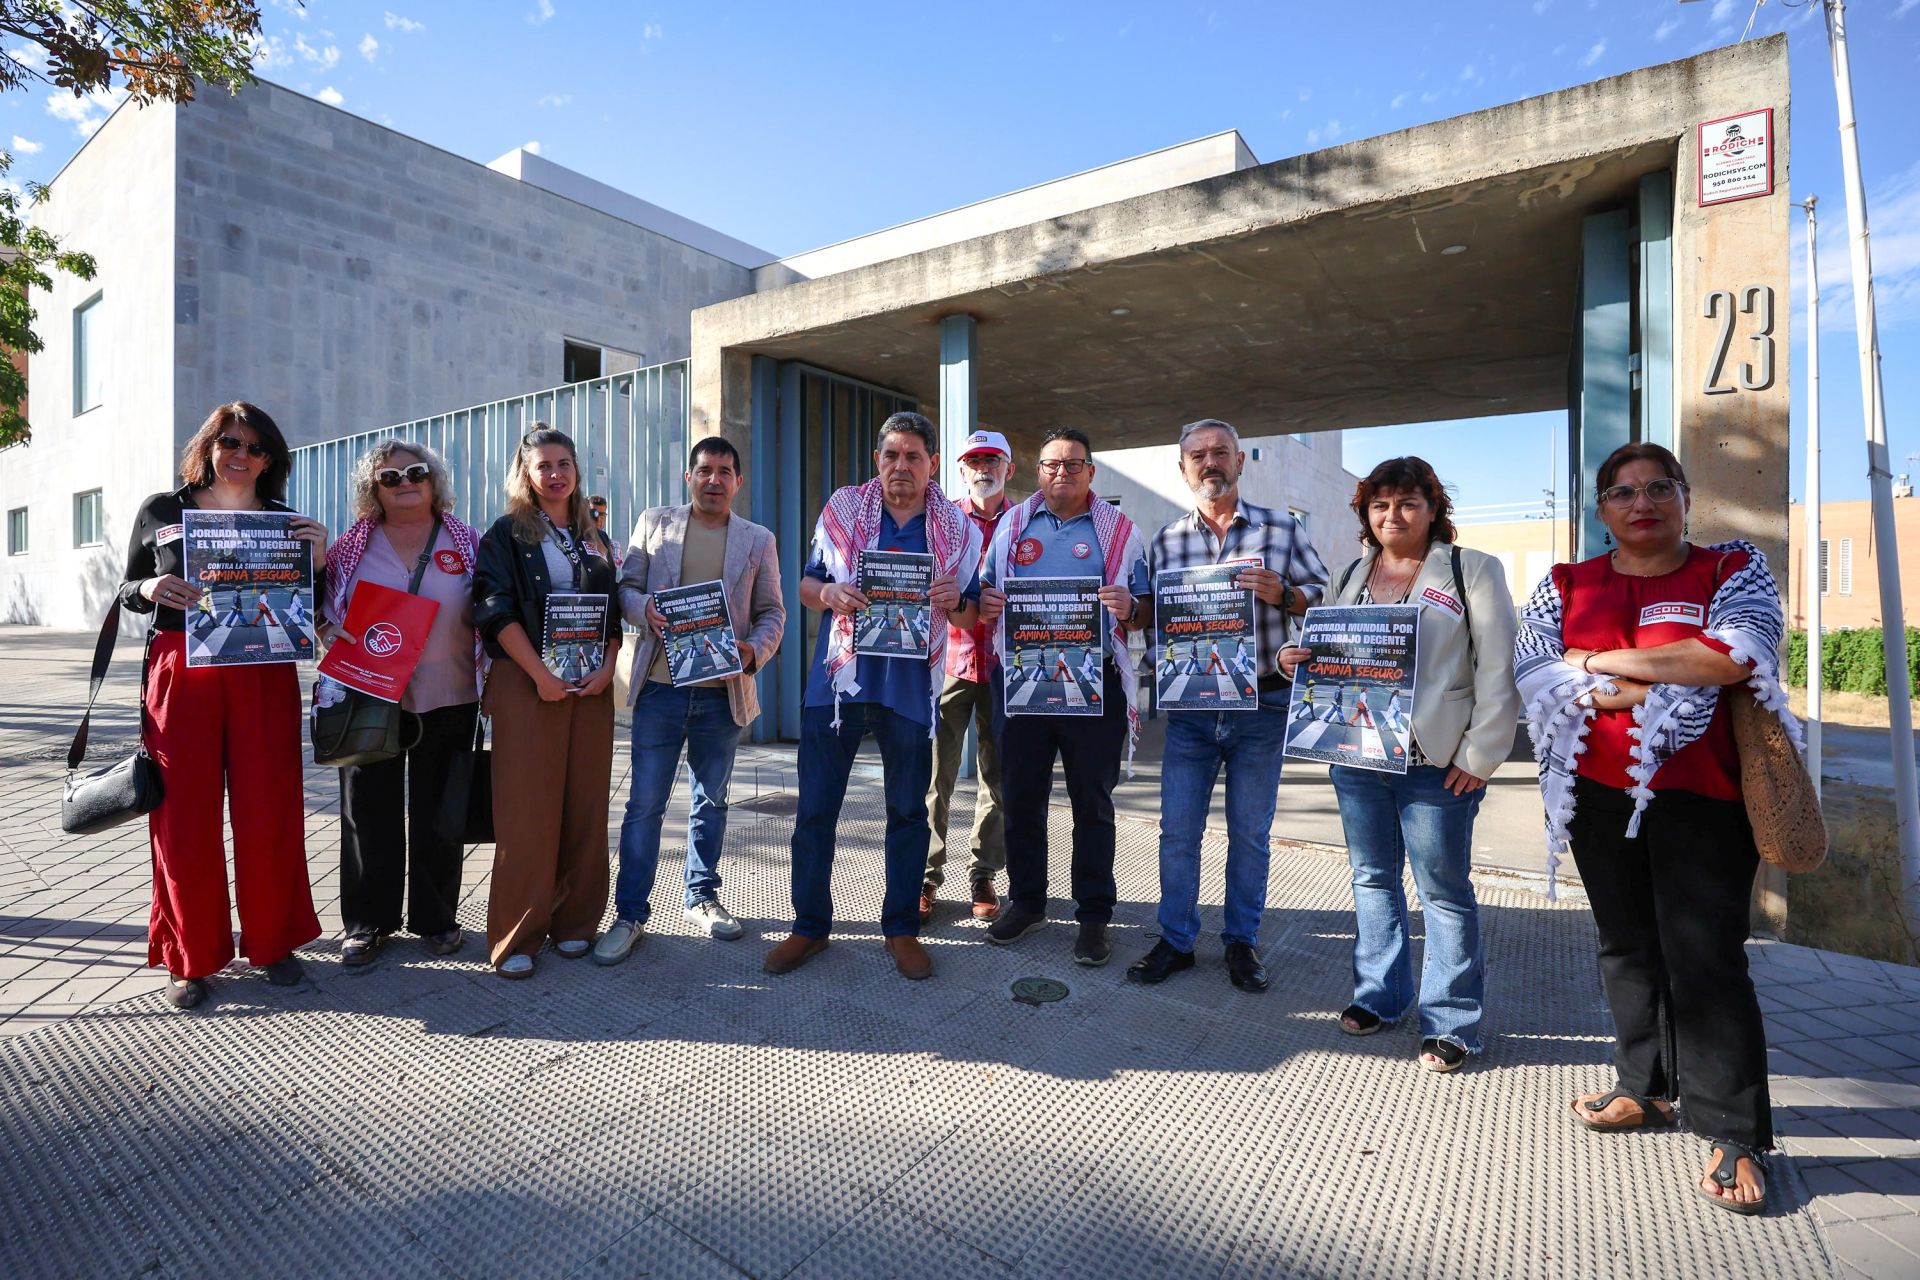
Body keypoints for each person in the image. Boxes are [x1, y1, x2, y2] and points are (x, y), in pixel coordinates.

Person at [1514, 442, 1791, 1214]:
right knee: (1625, 947)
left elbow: (1735, 653)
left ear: (1686, 497)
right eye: (1623, 491)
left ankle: (1735, 1131)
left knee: (1705, 959)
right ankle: (1646, 1088)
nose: (1642, 502)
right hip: (1599, 797)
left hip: (1704, 798)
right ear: (1603, 511)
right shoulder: (1567, 582)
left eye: (1658, 487)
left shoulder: (1732, 570)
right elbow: (1538, 672)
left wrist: (1599, 660)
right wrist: (1659, 666)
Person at [1280, 456, 1519, 1073]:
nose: (1393, 514)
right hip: (1358, 755)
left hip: (1436, 763)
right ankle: (1379, 995)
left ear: (1433, 510)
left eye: (1408, 503)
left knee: (1442, 891)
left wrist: (1481, 754)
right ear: (1365, 512)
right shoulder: (1351, 574)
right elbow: (1324, 649)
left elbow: (1498, 669)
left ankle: (1451, 1020)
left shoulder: (1472, 572)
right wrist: (1294, 657)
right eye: (1380, 504)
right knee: (1371, 879)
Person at [117, 402, 328, 1010]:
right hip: (183, 672)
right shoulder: (165, 510)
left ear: (271, 460)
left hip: (262, 669)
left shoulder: (287, 522)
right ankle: (191, 955)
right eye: (231, 442)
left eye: (256, 448)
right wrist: (149, 587)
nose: (242, 455)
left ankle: (274, 941)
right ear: (209, 446)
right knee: (183, 818)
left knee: (272, 808)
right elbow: (128, 587)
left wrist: (318, 560)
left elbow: (312, 608)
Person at [764, 411, 982, 982]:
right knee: (815, 810)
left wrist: (953, 596)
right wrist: (830, 591)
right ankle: (809, 926)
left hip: (909, 691)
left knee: (908, 813)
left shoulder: (958, 531)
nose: (901, 467)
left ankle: (901, 926)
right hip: (836, 684)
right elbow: (807, 586)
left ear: (932, 465)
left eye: (913, 456)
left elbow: (971, 610)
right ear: (877, 462)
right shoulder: (841, 511)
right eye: (891, 456)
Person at [1130, 418, 1329, 993]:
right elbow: (1158, 618)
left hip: (1262, 706)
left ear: (1241, 462)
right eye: (1198, 454)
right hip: (1192, 707)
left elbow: (1320, 594)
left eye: (1221, 452)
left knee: (1249, 833)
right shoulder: (1166, 539)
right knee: (1178, 830)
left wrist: (1284, 594)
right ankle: (1176, 940)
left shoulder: (1280, 528)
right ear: (1183, 467)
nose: (1210, 462)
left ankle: (1241, 941)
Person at [597, 436, 785, 964]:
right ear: (689, 476)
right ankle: (631, 913)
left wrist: (754, 651)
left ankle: (701, 897)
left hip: (720, 697)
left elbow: (773, 611)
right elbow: (625, 589)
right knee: (643, 807)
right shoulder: (655, 523)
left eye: (725, 471)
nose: (714, 480)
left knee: (712, 802)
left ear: (738, 481)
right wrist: (645, 608)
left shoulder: (757, 539)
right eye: (705, 470)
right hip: (659, 690)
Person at [976, 428, 1149, 966]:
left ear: (1091, 472)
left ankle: (1094, 916)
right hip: (1024, 681)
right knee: (1021, 795)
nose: (1062, 473)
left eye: (1074, 464)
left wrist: (1129, 607)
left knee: (1092, 804)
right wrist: (986, 601)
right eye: (1052, 464)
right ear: (1038, 471)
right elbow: (982, 589)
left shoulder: (1121, 531)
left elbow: (1147, 605)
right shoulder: (1011, 526)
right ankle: (1027, 902)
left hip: (1093, 685)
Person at [320, 440, 483, 967]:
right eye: (390, 478)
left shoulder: (469, 541)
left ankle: (436, 921)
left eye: (415, 472)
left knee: (441, 813)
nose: (405, 482)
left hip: (452, 695)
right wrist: (326, 629)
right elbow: (321, 611)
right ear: (374, 491)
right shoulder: (348, 549)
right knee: (368, 811)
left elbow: (492, 606)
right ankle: (368, 923)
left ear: (434, 480)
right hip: (369, 698)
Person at [473, 425, 623, 979]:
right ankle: (518, 935)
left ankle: (577, 922)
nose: (556, 474)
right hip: (527, 685)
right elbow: (493, 608)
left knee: (585, 806)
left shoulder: (596, 536)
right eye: (544, 465)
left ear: (576, 470)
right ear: (526, 474)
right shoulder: (506, 534)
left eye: (564, 463)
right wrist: (538, 674)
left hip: (590, 689)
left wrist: (609, 667)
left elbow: (611, 608)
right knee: (528, 812)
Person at [925, 431, 1015, 923]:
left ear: (1009, 467)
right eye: (973, 460)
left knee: (996, 778)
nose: (983, 467)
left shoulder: (1025, 522)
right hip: (950, 661)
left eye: (991, 459)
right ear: (959, 470)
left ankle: (983, 872)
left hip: (1006, 666)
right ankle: (925, 875)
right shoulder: (944, 521)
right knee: (934, 775)